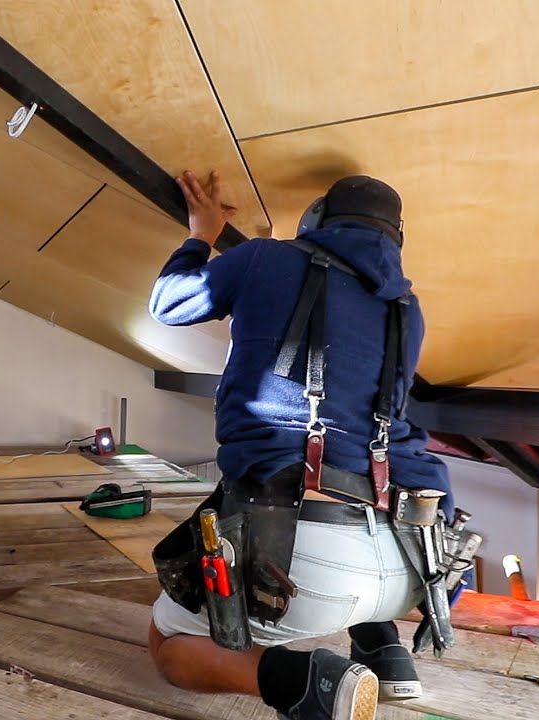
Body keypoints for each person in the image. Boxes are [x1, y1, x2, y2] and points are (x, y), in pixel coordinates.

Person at [146, 171, 454, 720]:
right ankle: (384, 650)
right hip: (410, 566)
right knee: (363, 456)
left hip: (303, 562)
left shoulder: (266, 258)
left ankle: (309, 683)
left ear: (315, 219)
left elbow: (169, 304)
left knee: (165, 643)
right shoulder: (408, 310)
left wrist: (203, 235)